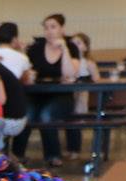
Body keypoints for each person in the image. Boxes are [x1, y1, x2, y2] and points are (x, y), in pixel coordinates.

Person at [19, 14, 81, 168]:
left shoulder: (71, 47)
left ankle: (52, 155)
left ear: (62, 29)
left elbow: (70, 74)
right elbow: (26, 72)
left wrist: (64, 49)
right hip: (37, 93)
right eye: (46, 27)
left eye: (53, 27)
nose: (49, 31)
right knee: (26, 114)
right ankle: (18, 154)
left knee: (46, 115)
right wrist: (29, 74)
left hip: (61, 95)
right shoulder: (36, 48)